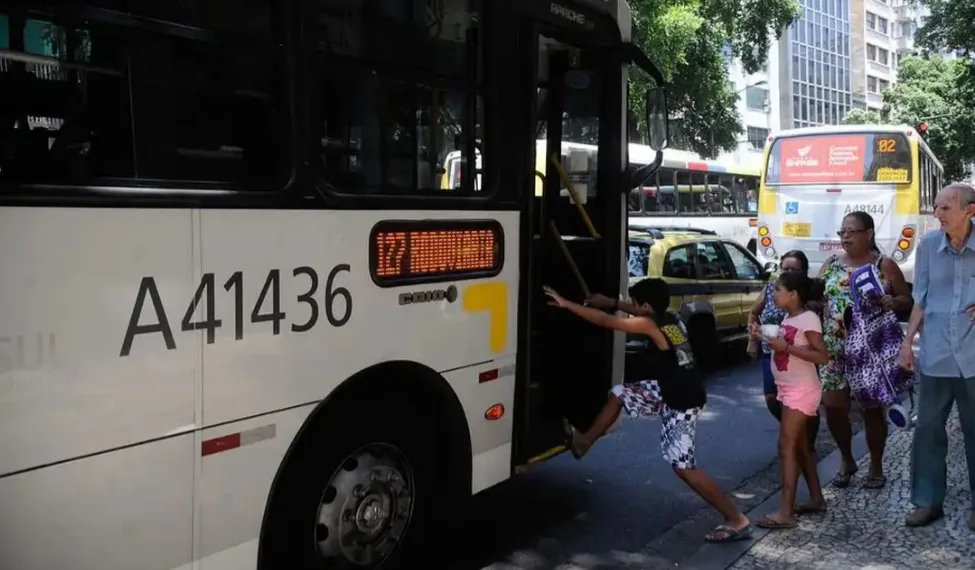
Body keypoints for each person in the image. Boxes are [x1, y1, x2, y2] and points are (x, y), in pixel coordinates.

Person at [544, 279, 753, 543]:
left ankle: (737, 519)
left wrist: (566, 304)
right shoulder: (670, 318)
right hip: (673, 387)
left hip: (681, 399)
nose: (629, 307)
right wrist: (611, 302)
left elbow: (606, 322)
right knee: (619, 393)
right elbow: (636, 312)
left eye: (633, 304)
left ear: (645, 305)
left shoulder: (649, 323)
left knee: (684, 468)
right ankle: (585, 442)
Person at [898, 183, 975, 530]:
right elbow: (920, 300)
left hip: (973, 357)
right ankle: (928, 502)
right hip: (936, 356)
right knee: (928, 429)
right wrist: (906, 344)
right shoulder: (929, 245)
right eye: (937, 207)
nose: (937, 214)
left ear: (969, 210)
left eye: (945, 208)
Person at [817, 211, 912, 489]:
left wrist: (893, 302)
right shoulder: (832, 265)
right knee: (833, 408)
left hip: (871, 351)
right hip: (835, 349)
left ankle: (876, 464)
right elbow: (817, 296)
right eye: (842, 232)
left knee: (871, 410)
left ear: (868, 233)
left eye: (851, 231)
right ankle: (846, 459)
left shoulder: (884, 265)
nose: (845, 237)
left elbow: (907, 300)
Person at [749, 271, 829, 529]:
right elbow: (787, 345)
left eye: (777, 290)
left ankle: (786, 512)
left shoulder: (809, 319)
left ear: (793, 294)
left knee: (786, 447)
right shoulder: (789, 317)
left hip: (801, 391)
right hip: (789, 388)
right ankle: (816, 498)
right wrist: (761, 334)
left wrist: (786, 348)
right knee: (801, 447)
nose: (773, 295)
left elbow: (822, 356)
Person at [747, 250, 822, 450]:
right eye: (785, 268)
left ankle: (806, 441)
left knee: (807, 405)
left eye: (794, 269)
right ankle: (793, 428)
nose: (788, 272)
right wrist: (752, 340)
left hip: (801, 357)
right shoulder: (771, 288)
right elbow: (754, 313)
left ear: (804, 272)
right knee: (772, 398)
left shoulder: (811, 293)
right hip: (771, 353)